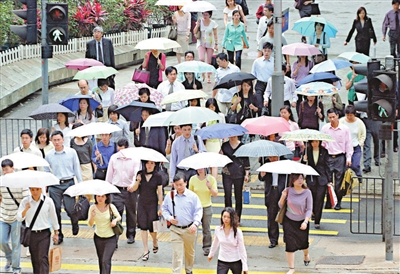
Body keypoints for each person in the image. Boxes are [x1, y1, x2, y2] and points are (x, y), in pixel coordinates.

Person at [45, 131, 83, 243]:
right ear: (51, 141)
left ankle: (74, 221)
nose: (57, 142)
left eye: (58, 140)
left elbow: (76, 168)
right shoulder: (48, 155)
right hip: (55, 184)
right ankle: (59, 234)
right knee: (55, 210)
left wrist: (80, 184)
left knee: (70, 208)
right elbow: (47, 171)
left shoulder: (71, 152)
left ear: (63, 140)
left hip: (68, 183)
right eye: (54, 140)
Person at [162, 173, 203, 274]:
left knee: (189, 253)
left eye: (181, 184)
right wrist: (169, 218)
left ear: (186, 183)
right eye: (176, 185)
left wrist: (195, 224)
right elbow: (164, 209)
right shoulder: (170, 195)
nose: (179, 187)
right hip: (175, 229)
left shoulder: (192, 196)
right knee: (177, 254)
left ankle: (189, 270)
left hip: (189, 229)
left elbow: (198, 211)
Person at [106, 137, 141, 245]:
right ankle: (115, 236)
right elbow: (109, 175)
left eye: (123, 150)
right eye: (119, 150)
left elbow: (136, 173)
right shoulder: (114, 158)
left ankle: (131, 234)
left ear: (128, 148)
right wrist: (108, 189)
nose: (121, 153)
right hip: (117, 189)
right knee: (116, 214)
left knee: (131, 213)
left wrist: (132, 185)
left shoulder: (135, 158)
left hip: (130, 190)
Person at [17, 187, 59, 274]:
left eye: (37, 189)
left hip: (44, 233)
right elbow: (19, 218)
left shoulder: (48, 201)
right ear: (30, 190)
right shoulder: (25, 201)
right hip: (31, 234)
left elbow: (53, 217)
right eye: (32, 190)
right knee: (35, 260)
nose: (35, 192)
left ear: (41, 189)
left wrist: (56, 232)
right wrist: (26, 209)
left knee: (42, 258)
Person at [278, 173, 312, 274]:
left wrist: (306, 221)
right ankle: (291, 268)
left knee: (304, 244)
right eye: (297, 179)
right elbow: (280, 206)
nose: (300, 181)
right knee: (289, 244)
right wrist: (283, 196)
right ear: (292, 180)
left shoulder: (307, 192)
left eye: (301, 178)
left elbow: (309, 209)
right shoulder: (288, 191)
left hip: (302, 221)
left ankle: (306, 255)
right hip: (289, 221)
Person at [321, 108, 353, 210]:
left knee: (339, 182)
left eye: (333, 117)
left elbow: (348, 144)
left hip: (340, 157)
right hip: (328, 156)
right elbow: (322, 143)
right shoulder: (325, 128)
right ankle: (329, 201)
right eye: (330, 117)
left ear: (337, 116)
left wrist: (349, 158)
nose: (332, 119)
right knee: (328, 180)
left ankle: (338, 201)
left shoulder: (344, 129)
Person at [131, 160, 163, 261]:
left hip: (152, 203)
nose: (149, 165)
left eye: (152, 163)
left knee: (152, 227)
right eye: (147, 163)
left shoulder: (158, 176)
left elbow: (160, 192)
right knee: (143, 227)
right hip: (142, 203)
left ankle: (154, 240)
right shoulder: (140, 174)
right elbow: (134, 188)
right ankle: (145, 250)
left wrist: (161, 206)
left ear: (155, 165)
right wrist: (138, 180)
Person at [0, 159, 29, 274]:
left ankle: (16, 268)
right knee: (1, 241)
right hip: (3, 216)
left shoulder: (22, 182)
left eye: (7, 169)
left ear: (13, 168)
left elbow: (26, 199)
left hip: (16, 217)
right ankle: (9, 257)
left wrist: (23, 213)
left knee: (16, 244)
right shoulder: (1, 181)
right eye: (3, 170)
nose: (5, 172)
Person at [88, 194, 121, 274]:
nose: (100, 198)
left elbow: (119, 217)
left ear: (106, 197)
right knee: (101, 260)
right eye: (98, 196)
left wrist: (114, 221)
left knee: (106, 260)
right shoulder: (92, 208)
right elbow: (90, 224)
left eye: (103, 196)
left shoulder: (111, 207)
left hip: (111, 238)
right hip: (98, 237)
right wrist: (92, 216)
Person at [208, 207, 248, 274]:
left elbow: (242, 249)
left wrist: (245, 265)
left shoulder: (238, 232)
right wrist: (211, 254)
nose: (226, 219)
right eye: (224, 217)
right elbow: (215, 243)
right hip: (222, 260)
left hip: (235, 260)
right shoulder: (218, 230)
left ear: (232, 218)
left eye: (228, 217)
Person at [258, 156, 287, 248]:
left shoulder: (285, 163)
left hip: (282, 191)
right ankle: (273, 239)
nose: (272, 159)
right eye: (270, 157)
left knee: (285, 216)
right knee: (271, 217)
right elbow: (261, 178)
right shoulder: (265, 163)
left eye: (274, 157)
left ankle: (287, 238)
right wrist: (262, 175)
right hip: (271, 192)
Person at [189, 168, 218, 256]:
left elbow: (215, 194)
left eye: (201, 168)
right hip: (196, 207)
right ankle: (191, 247)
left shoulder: (211, 179)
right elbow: (190, 194)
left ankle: (207, 247)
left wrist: (210, 187)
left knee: (206, 228)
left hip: (207, 206)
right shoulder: (192, 179)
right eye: (198, 168)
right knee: (193, 228)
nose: (200, 170)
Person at [220, 135, 250, 222]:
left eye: (234, 136)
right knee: (227, 195)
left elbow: (246, 160)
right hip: (227, 173)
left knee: (238, 196)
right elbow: (221, 159)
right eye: (231, 136)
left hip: (239, 173)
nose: (232, 137)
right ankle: (228, 217)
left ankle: (237, 218)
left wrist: (246, 174)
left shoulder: (242, 146)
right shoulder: (224, 145)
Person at [301, 140, 329, 229]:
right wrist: (303, 159)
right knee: (312, 198)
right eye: (313, 142)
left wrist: (329, 180)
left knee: (320, 200)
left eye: (317, 142)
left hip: (322, 178)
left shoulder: (324, 151)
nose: (315, 144)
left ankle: (317, 220)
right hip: (311, 178)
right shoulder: (307, 151)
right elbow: (302, 164)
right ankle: (313, 212)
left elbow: (327, 165)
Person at [339, 105, 366, 177]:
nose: (349, 117)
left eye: (351, 115)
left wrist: (360, 143)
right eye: (347, 115)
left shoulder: (359, 122)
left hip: (355, 146)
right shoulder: (341, 121)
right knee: (345, 165)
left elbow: (363, 134)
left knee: (355, 164)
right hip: (345, 147)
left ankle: (358, 175)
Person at [202, 98, 226, 179]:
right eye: (209, 107)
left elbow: (223, 129)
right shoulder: (204, 116)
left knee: (214, 164)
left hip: (216, 143)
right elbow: (199, 127)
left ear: (215, 107)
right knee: (208, 163)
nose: (211, 109)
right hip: (207, 143)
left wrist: (224, 143)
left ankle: (214, 183)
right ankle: (209, 181)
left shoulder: (220, 116)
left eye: (212, 107)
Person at [194, 11, 218, 84]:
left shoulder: (213, 23)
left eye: (206, 14)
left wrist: (216, 44)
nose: (205, 16)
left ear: (210, 15)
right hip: (201, 42)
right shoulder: (200, 21)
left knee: (209, 61)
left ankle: (208, 76)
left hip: (210, 43)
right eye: (203, 14)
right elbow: (194, 32)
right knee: (201, 59)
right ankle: (202, 73)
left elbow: (215, 34)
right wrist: (197, 25)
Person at [252, 42, 274, 115]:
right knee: (259, 103)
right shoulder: (257, 61)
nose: (266, 52)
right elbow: (253, 75)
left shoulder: (274, 62)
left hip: (270, 84)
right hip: (260, 84)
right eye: (265, 50)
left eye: (268, 51)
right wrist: (252, 88)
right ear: (262, 50)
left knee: (270, 104)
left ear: (271, 51)